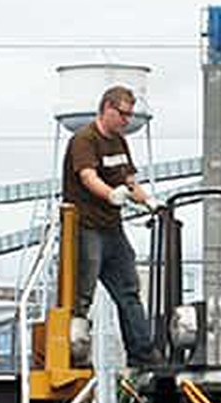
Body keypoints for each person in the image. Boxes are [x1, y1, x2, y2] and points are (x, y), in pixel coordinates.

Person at [61, 85, 162, 367]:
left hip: (112, 230)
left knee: (129, 290)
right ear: (107, 108)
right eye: (122, 114)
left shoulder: (119, 141)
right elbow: (87, 176)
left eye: (130, 116)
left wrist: (149, 201)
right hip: (86, 228)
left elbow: (129, 181)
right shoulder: (84, 140)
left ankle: (143, 354)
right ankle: (76, 358)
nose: (126, 121)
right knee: (82, 297)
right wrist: (110, 194)